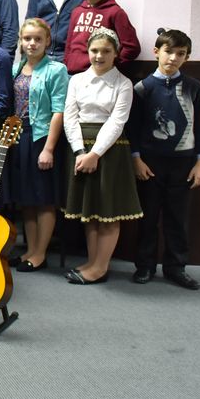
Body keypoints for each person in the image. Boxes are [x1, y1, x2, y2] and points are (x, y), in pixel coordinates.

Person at [130, 28, 200, 290]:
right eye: (168, 51)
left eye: (180, 53)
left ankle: (176, 267)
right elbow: (133, 127)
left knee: (177, 218)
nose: (173, 58)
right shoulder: (142, 88)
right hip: (150, 163)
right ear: (156, 52)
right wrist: (136, 159)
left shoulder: (194, 88)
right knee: (148, 217)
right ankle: (145, 265)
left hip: (183, 164)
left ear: (187, 57)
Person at [62, 28, 143, 285]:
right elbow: (70, 117)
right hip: (80, 149)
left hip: (109, 150)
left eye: (106, 51)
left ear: (116, 53)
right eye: (94, 50)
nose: (99, 56)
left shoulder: (123, 84)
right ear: (87, 51)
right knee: (91, 211)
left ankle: (100, 267)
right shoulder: (76, 80)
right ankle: (92, 261)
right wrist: (79, 151)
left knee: (108, 211)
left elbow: (117, 122)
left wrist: (95, 153)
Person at [0, 18, 68, 273]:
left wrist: (49, 149)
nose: (32, 43)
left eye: (38, 39)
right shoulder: (15, 68)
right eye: (27, 38)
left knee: (43, 198)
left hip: (41, 138)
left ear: (47, 41)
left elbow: (59, 111)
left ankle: (40, 253)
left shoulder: (56, 70)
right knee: (26, 198)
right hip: (18, 137)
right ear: (21, 40)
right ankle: (30, 250)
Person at [64, 0, 140, 73]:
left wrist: (112, 65)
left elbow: (132, 47)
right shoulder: (77, 11)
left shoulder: (115, 12)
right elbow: (69, 45)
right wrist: (67, 63)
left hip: (100, 74)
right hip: (72, 74)